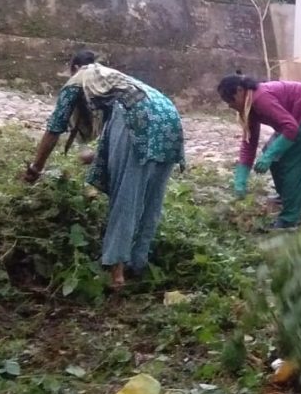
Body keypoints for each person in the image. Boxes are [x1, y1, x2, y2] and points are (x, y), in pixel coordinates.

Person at [25, 51, 185, 289]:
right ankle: (138, 264)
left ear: (76, 67)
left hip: (137, 114)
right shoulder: (114, 80)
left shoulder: (79, 79)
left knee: (126, 196)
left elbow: (55, 128)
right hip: (170, 116)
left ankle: (117, 274)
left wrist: (35, 169)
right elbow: (109, 142)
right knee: (152, 199)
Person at [217, 72, 301, 229]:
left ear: (240, 91)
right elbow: (249, 143)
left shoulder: (260, 98)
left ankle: (289, 218)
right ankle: (287, 196)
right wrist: (241, 179)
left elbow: (290, 128)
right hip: (294, 116)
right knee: (272, 152)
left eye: (229, 100)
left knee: (293, 162)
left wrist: (270, 155)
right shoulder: (248, 107)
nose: (229, 106)